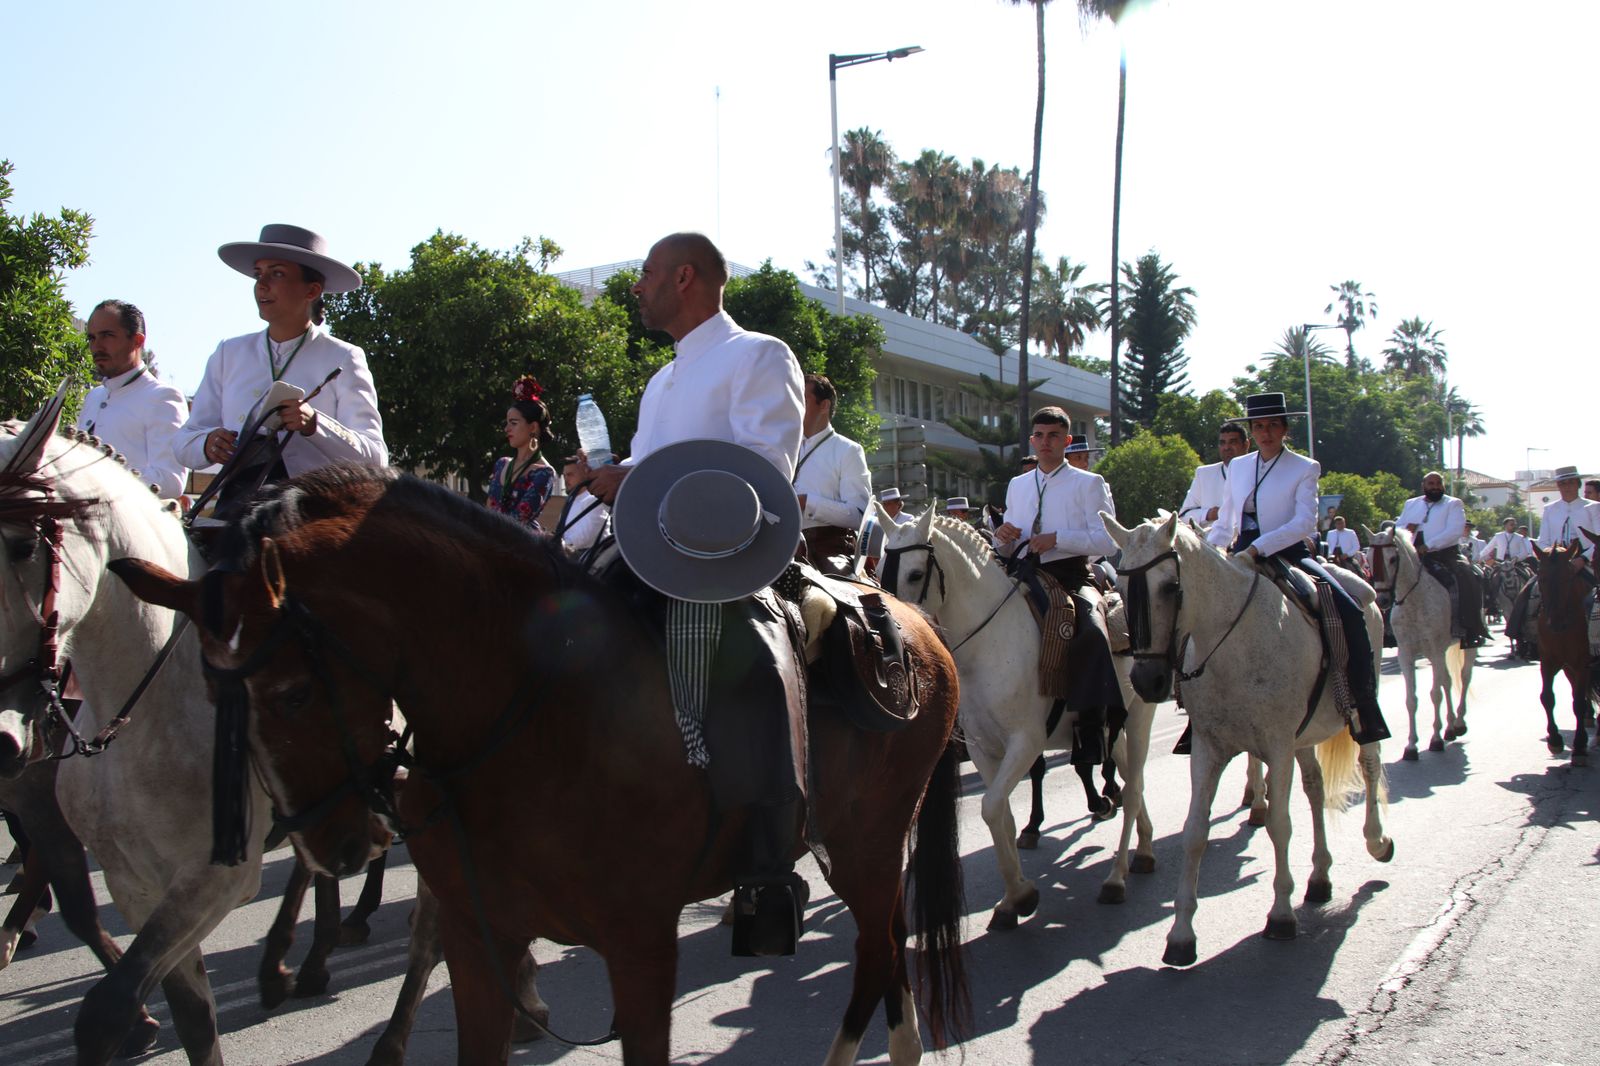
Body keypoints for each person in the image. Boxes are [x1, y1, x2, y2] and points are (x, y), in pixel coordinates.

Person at [584, 232, 806, 957]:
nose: (637, 288)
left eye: (646, 274)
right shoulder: (662, 380)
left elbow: (763, 464)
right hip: (646, 554)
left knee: (757, 667)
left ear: (685, 277)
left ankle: (767, 868)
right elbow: (649, 469)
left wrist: (641, 479)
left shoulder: (758, 355)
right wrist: (609, 475)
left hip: (725, 559)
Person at [1207, 393, 1390, 745]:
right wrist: (1212, 550)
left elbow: (1304, 521)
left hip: (1287, 552)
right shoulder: (1240, 467)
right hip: (1240, 552)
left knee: (1349, 611)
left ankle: (1361, 704)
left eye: (1273, 425)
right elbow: (1226, 520)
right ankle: (1201, 706)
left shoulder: (1305, 467)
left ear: (1285, 428)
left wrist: (1261, 547)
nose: (1265, 432)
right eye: (1259, 426)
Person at [175, 224, 386, 514]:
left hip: (313, 517)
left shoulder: (345, 357)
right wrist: (208, 444)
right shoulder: (229, 353)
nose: (262, 284)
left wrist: (315, 424)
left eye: (277, 274)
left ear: (312, 290)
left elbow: (375, 459)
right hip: (234, 511)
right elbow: (185, 441)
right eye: (258, 274)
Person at [993, 406, 1123, 768]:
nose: (1045, 442)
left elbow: (1107, 542)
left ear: (1066, 441)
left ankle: (1093, 724)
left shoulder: (1088, 483)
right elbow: (1006, 542)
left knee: (1093, 631)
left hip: (1069, 574)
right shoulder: (1018, 484)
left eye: (1053, 436)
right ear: (1032, 440)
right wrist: (1001, 536)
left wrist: (1058, 539)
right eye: (1039, 436)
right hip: (1021, 573)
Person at [76, 300, 189, 499]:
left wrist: (95, 479)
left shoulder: (162, 397)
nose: (97, 346)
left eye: (107, 336)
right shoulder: (94, 396)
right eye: (92, 338)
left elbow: (170, 481)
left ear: (137, 341)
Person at [1394, 471, 1489, 647]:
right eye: (1431, 483)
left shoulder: (1453, 504)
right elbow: (1398, 527)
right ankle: (1392, 628)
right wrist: (1407, 528)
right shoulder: (1411, 504)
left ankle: (1469, 628)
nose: (1435, 486)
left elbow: (1454, 530)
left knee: (1469, 577)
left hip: (1444, 554)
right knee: (1389, 577)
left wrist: (1429, 545)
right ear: (1424, 486)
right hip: (1413, 555)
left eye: (1438, 483)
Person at [1507, 466, 1600, 646]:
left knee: (1594, 599)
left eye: (1571, 482)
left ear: (1577, 484)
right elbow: (1543, 540)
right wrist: (1549, 556)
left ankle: (1595, 641)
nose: (1567, 487)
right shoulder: (1550, 509)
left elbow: (1599, 540)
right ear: (1558, 486)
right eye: (1563, 483)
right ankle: (1524, 639)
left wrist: (1582, 559)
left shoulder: (1594, 508)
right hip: (1556, 562)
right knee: (1527, 592)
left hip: (1586, 560)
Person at [793, 373, 872, 571]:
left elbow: (859, 514)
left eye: (803, 399)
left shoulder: (848, 450)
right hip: (780, 547)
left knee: (841, 599)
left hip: (827, 548)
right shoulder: (784, 447)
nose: (795, 405)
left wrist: (806, 502)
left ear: (824, 405)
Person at [487, 376, 556, 529]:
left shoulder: (544, 473)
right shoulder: (501, 464)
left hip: (522, 547)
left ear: (533, 427)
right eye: (507, 423)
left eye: (514, 423)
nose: (507, 429)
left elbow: (518, 521)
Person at [1178, 422, 1249, 530]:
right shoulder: (1204, 474)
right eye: (1222, 443)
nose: (1227, 447)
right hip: (1211, 544)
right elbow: (1183, 517)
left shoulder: (1258, 471)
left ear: (1246, 445)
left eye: (1233, 442)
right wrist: (1209, 514)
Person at [556, 455, 609, 552]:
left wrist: (557, 544)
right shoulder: (570, 502)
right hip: (570, 556)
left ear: (584, 473)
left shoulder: (594, 499)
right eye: (564, 475)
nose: (566, 479)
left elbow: (586, 537)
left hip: (593, 560)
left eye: (570, 474)